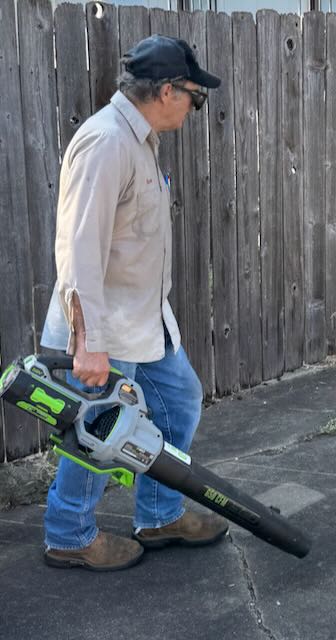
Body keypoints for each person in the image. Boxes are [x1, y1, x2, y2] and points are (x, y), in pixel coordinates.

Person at [40, 34, 228, 571]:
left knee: (180, 402)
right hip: (105, 330)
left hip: (145, 323)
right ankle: (69, 535)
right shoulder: (107, 142)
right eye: (195, 97)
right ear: (168, 91)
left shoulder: (138, 140)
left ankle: (160, 514)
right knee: (98, 431)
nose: (193, 107)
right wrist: (90, 343)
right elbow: (79, 253)